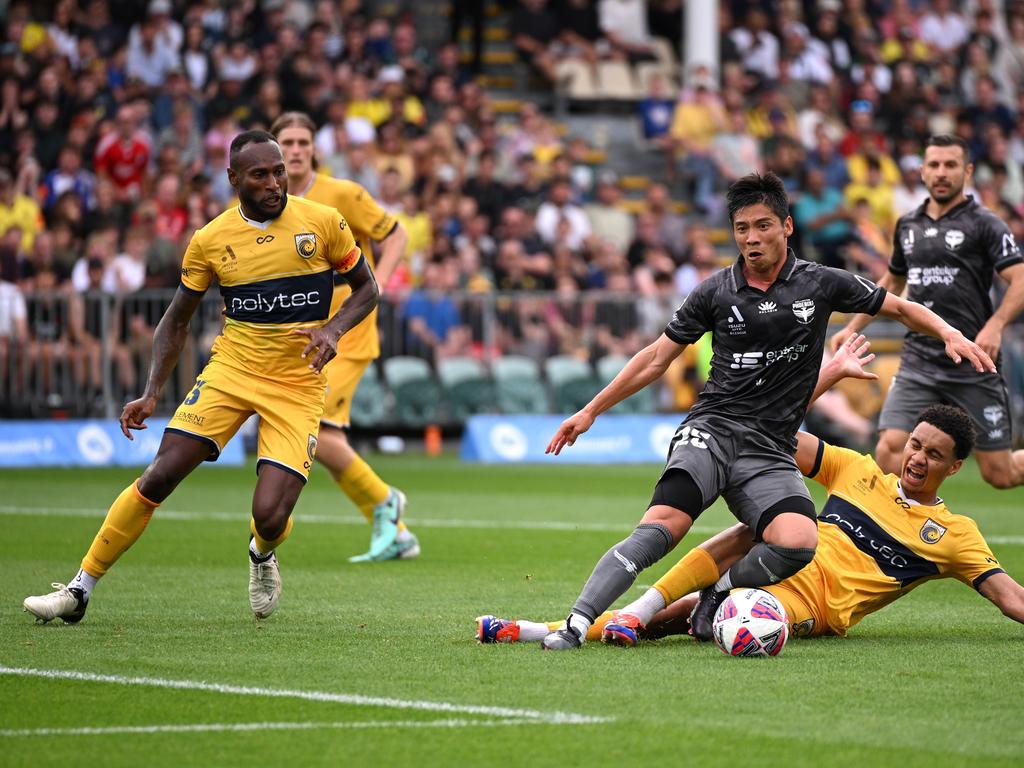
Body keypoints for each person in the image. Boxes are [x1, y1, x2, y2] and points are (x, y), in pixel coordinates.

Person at [536, 171, 994, 651]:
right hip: (711, 431)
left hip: (771, 450)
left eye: (762, 225)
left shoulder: (820, 283)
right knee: (664, 526)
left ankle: (717, 593)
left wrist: (950, 334)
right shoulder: (715, 291)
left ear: (787, 226)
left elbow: (899, 308)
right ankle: (575, 623)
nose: (751, 238)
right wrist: (590, 411)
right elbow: (655, 357)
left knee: (798, 540)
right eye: (741, 228)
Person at [23, 130, 378, 624]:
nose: (275, 182)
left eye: (279, 171)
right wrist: (151, 392)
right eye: (261, 174)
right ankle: (80, 589)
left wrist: (334, 329)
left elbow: (367, 288)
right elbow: (176, 320)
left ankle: (261, 552)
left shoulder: (322, 223)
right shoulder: (210, 241)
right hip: (231, 371)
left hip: (297, 383)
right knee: (159, 475)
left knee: (271, 516)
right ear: (233, 179)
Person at [478, 348, 1024, 645]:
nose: (916, 458)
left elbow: (1010, 599)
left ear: (954, 467)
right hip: (770, 564)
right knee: (757, 528)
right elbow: (772, 430)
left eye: (932, 455)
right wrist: (828, 375)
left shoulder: (956, 536)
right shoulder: (858, 471)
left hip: (807, 607)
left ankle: (551, 629)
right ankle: (572, 623)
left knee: (700, 615)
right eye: (914, 444)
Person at [832, 134, 1024, 489]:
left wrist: (996, 324)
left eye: (950, 165)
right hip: (919, 360)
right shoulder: (908, 225)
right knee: (889, 454)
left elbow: (1020, 278)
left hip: (973, 360)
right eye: (933, 164)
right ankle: (914, 531)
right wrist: (853, 326)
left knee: (1000, 474)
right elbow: (891, 282)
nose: (941, 172)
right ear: (922, 171)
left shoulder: (985, 223)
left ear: (966, 170)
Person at [270, 112, 418, 563]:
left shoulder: (343, 194)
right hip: (301, 327)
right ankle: (396, 531)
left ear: (315, 148)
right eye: (286, 142)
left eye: (302, 141)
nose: (295, 150)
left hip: (347, 326)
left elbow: (395, 233)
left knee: (314, 425)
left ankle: (385, 503)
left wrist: (382, 282)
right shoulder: (268, 202)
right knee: (322, 434)